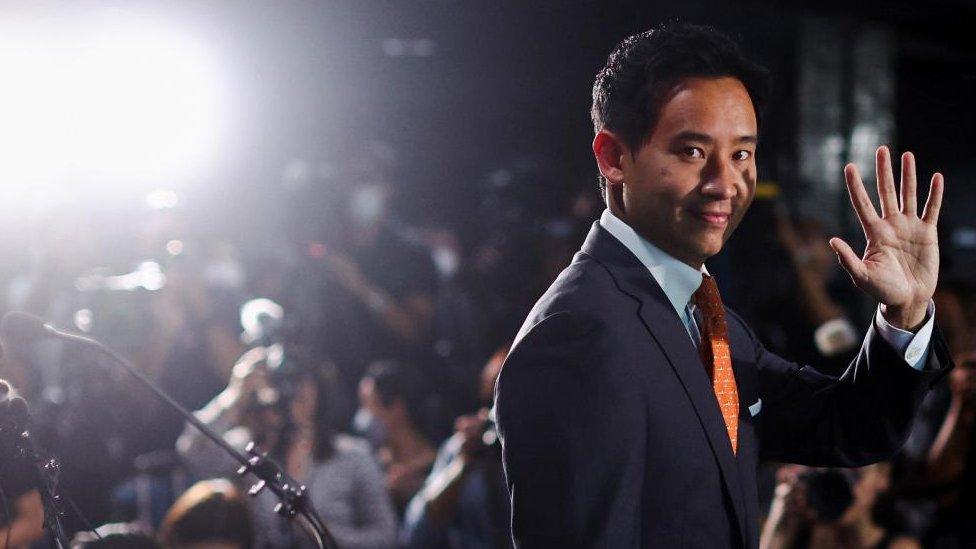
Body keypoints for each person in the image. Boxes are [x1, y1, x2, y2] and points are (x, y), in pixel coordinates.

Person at [493, 23, 953, 548]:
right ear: (613, 157)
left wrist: (906, 314)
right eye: (692, 152)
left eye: (741, 154)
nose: (725, 183)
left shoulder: (705, 315)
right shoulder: (578, 335)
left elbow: (848, 427)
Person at [177, 349, 397, 548]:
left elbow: (386, 537)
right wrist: (234, 396)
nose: (294, 395)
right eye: (284, 385)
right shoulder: (250, 451)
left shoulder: (352, 455)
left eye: (302, 384)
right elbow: (192, 451)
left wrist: (320, 531)